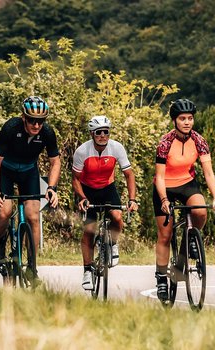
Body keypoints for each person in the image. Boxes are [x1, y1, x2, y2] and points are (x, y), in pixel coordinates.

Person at [152, 98, 215, 301]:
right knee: (165, 235)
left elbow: (208, 173)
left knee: (200, 211)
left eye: (190, 118)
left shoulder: (199, 141)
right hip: (164, 186)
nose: (187, 122)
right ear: (174, 120)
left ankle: (189, 242)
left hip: (187, 183)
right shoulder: (165, 143)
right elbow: (160, 177)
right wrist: (164, 200)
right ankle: (161, 279)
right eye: (182, 118)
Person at [0, 96, 61, 284]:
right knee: (5, 212)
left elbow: (55, 162)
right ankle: (0, 239)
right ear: (23, 117)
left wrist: (52, 188)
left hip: (29, 172)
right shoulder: (11, 128)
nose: (36, 125)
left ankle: (31, 267)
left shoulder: (47, 132)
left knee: (33, 217)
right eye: (31, 120)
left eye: (40, 121)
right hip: (6, 171)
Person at [72, 115, 139, 290]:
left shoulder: (116, 148)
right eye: (98, 132)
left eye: (106, 132)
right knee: (89, 230)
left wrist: (132, 199)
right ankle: (87, 270)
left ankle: (112, 243)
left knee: (117, 217)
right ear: (92, 134)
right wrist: (82, 198)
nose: (103, 135)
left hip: (108, 188)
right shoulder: (82, 151)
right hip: (87, 190)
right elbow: (75, 179)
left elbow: (129, 175)